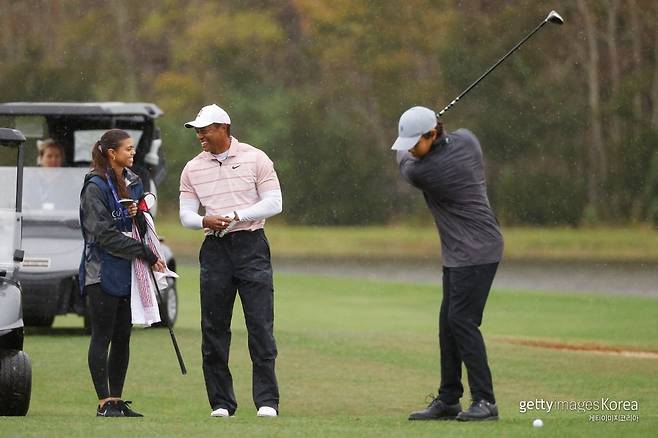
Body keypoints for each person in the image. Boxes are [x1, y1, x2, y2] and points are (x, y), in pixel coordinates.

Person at [392, 106, 503, 422]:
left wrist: (414, 138)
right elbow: (463, 134)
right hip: (459, 252)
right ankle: (449, 398)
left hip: (477, 251)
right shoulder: (467, 142)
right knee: (448, 323)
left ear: (432, 134)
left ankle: (485, 401)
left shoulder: (424, 171)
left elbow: (405, 164)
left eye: (416, 141)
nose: (411, 148)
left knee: (462, 322)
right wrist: (428, 125)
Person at [179, 104, 282, 418]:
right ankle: (221, 403)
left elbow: (274, 203)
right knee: (213, 328)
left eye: (205, 130)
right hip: (214, 249)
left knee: (260, 327)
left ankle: (267, 401)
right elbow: (185, 215)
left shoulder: (255, 157)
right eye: (197, 130)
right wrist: (204, 222)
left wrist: (238, 215)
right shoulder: (193, 168)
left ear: (223, 127)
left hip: (251, 245)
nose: (200, 136)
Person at [79, 129, 165, 417]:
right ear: (111, 153)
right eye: (127, 149)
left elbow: (139, 224)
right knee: (102, 336)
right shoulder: (95, 186)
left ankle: (116, 400)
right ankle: (104, 403)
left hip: (127, 272)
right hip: (101, 271)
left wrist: (138, 217)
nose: (133, 152)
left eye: (133, 148)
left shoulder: (134, 181)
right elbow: (103, 234)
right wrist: (144, 252)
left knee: (123, 336)